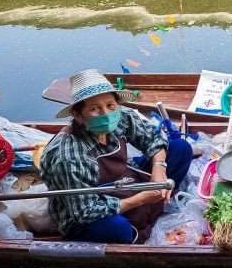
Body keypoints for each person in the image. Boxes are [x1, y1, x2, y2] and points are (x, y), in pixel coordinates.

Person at [39, 70, 193, 244]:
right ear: (78, 115)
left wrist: (159, 168)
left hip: (124, 180)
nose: (106, 114)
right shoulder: (69, 156)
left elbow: (154, 138)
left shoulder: (120, 115)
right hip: (88, 208)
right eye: (95, 109)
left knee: (181, 148)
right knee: (117, 229)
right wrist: (141, 199)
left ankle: (158, 203)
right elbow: (85, 212)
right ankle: (143, 228)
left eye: (110, 105)